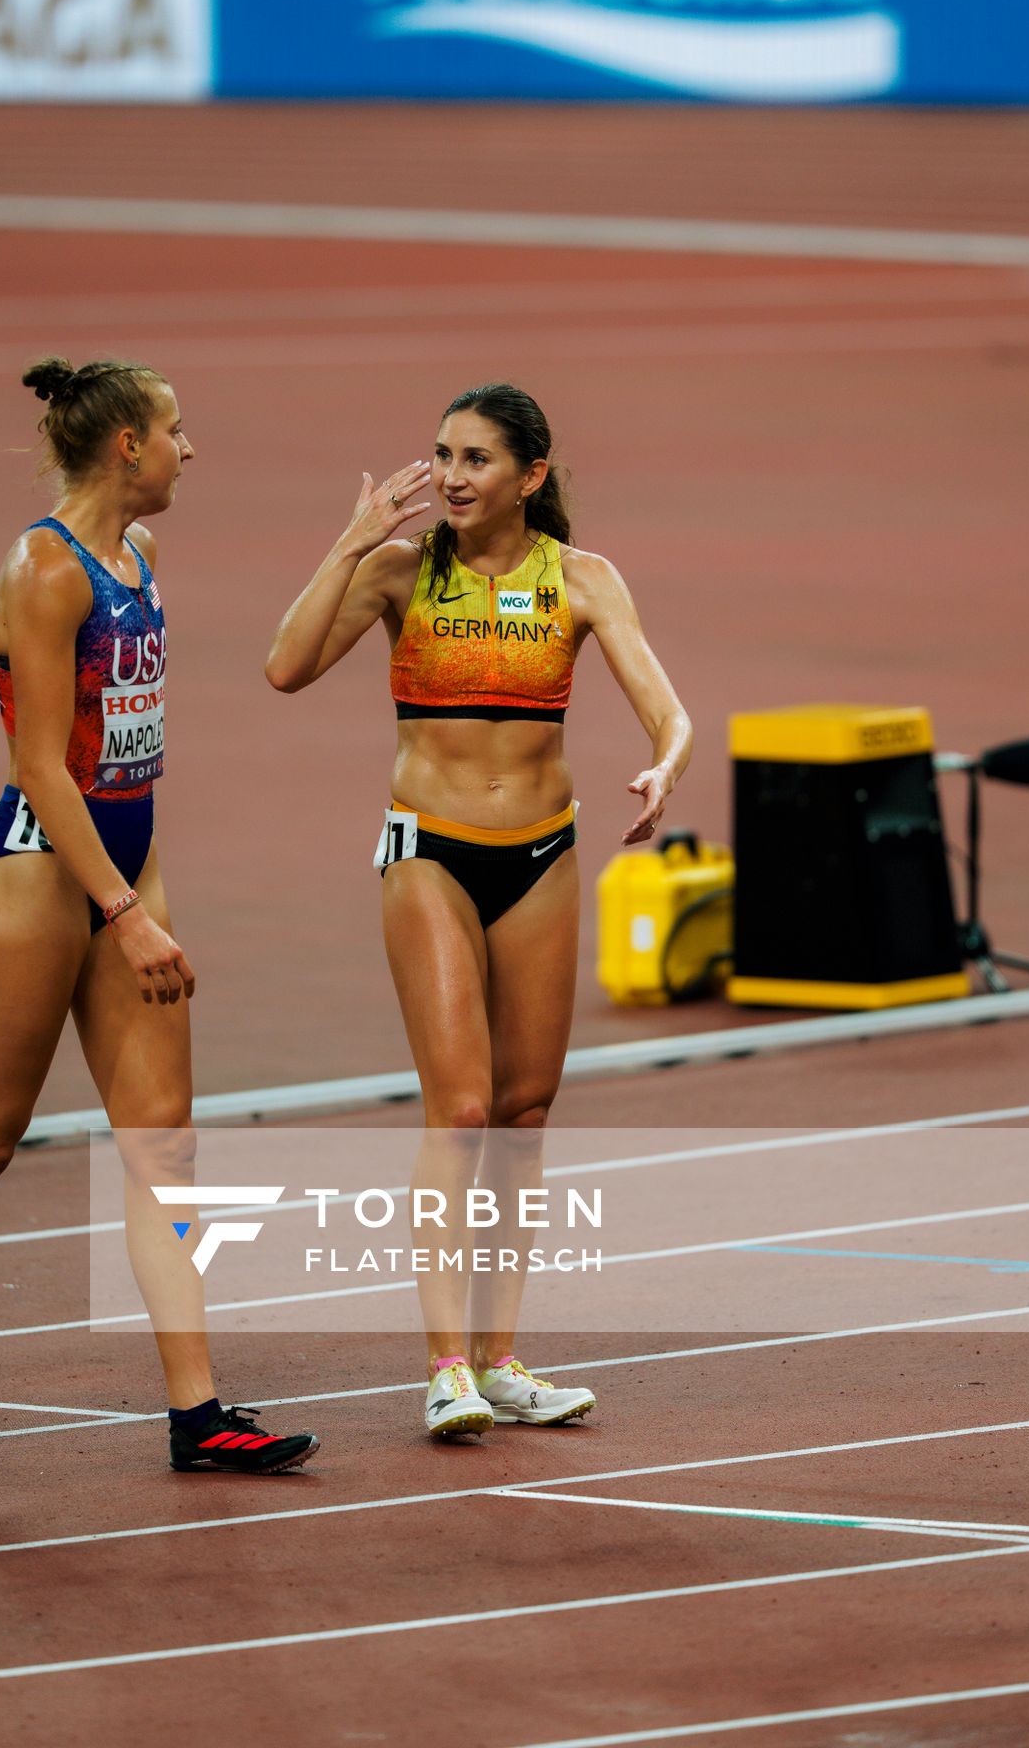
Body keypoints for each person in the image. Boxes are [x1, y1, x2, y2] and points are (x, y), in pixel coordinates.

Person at [0, 357, 318, 1476]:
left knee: (163, 1143)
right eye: (177, 431)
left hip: (122, 861)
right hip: (36, 873)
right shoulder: (43, 573)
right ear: (127, 448)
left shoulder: (136, 555)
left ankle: (198, 1413)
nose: (191, 450)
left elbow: (122, 758)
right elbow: (42, 769)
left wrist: (140, 894)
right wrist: (122, 909)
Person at [266, 382, 692, 1438]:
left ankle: (500, 1360)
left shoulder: (581, 580)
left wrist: (664, 768)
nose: (450, 477)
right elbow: (283, 669)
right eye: (442, 455)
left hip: (542, 854)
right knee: (458, 1112)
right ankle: (442, 1367)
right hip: (430, 852)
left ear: (529, 477)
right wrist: (349, 541)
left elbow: (667, 710)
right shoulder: (399, 573)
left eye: (475, 460)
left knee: (523, 1114)